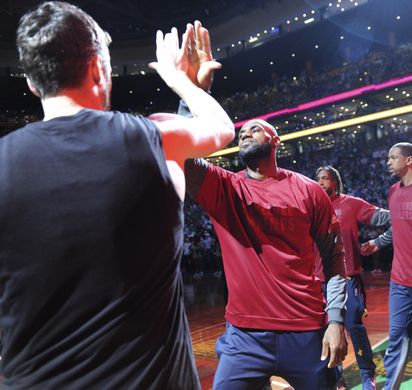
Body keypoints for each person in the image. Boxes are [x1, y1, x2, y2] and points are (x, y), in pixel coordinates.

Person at [0, 2, 234, 389]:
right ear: (99, 68)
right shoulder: (150, 138)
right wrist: (184, 84)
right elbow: (220, 128)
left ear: (32, 84)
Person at [179, 22, 348, 389]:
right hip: (244, 336)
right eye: (242, 132)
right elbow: (180, 154)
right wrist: (191, 91)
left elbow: (336, 262)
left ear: (276, 139)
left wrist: (336, 319)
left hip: (307, 329)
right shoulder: (225, 187)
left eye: (255, 129)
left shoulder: (309, 190)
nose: (245, 133)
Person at [315, 166, 392, 390]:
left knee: (353, 326)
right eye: (317, 178)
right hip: (320, 280)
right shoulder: (312, 207)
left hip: (347, 277)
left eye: (325, 179)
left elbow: (390, 217)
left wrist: (379, 242)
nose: (320, 182)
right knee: (326, 330)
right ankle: (336, 376)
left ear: (335, 183)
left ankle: (367, 373)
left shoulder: (351, 203)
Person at [361, 142, 412, 389]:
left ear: (409, 160)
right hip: (401, 282)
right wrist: (379, 242)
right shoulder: (392, 191)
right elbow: (397, 224)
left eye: (393, 158)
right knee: (397, 340)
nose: (388, 162)